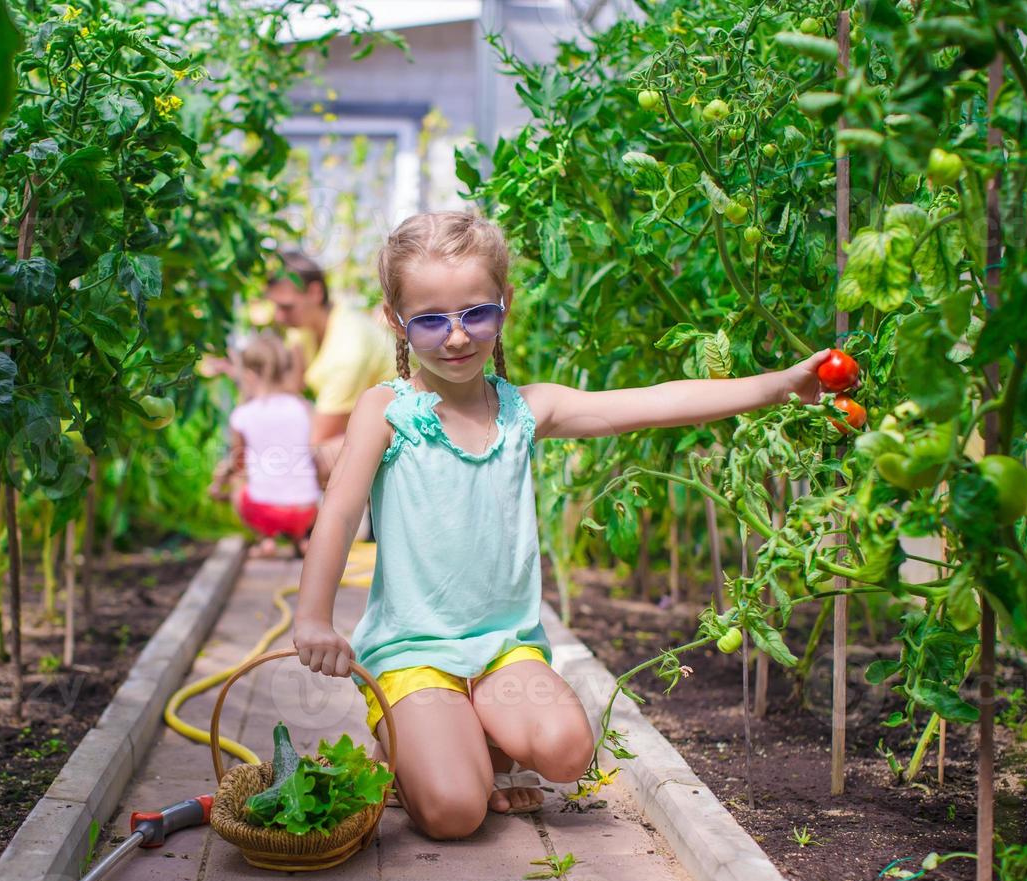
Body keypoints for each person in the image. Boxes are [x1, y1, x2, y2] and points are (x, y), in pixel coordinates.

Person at [290, 210, 835, 839]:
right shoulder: (387, 410)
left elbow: (655, 403)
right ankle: (413, 747)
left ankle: (462, 741)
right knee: (455, 814)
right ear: (396, 321)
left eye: (477, 313)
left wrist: (781, 387)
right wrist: (312, 617)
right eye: (431, 320)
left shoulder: (527, 410)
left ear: (505, 304)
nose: (458, 336)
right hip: (413, 652)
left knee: (568, 753)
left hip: (502, 649)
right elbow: (339, 513)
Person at [265, 250, 395, 488]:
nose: (279, 317)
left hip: (398, 435)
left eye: (286, 307)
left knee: (312, 461)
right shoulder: (306, 325)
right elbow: (292, 388)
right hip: (359, 425)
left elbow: (319, 439)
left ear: (315, 293)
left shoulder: (347, 350)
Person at [209, 333, 321, 557]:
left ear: (249, 375)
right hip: (306, 510)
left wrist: (217, 483)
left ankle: (265, 538)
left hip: (263, 510)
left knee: (237, 479)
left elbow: (238, 462)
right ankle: (301, 538)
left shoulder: (243, 415)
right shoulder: (302, 407)